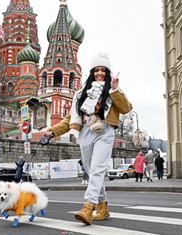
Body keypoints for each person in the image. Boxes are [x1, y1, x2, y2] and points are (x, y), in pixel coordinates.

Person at [44, 52, 132, 225]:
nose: (100, 73)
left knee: (98, 170)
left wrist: (115, 90)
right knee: (93, 172)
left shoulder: (113, 91)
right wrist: (52, 131)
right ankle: (103, 207)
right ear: (92, 72)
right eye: (96, 70)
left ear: (108, 73)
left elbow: (126, 108)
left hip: (105, 131)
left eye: (103, 70)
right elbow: (70, 120)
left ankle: (88, 207)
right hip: (85, 132)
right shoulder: (80, 94)